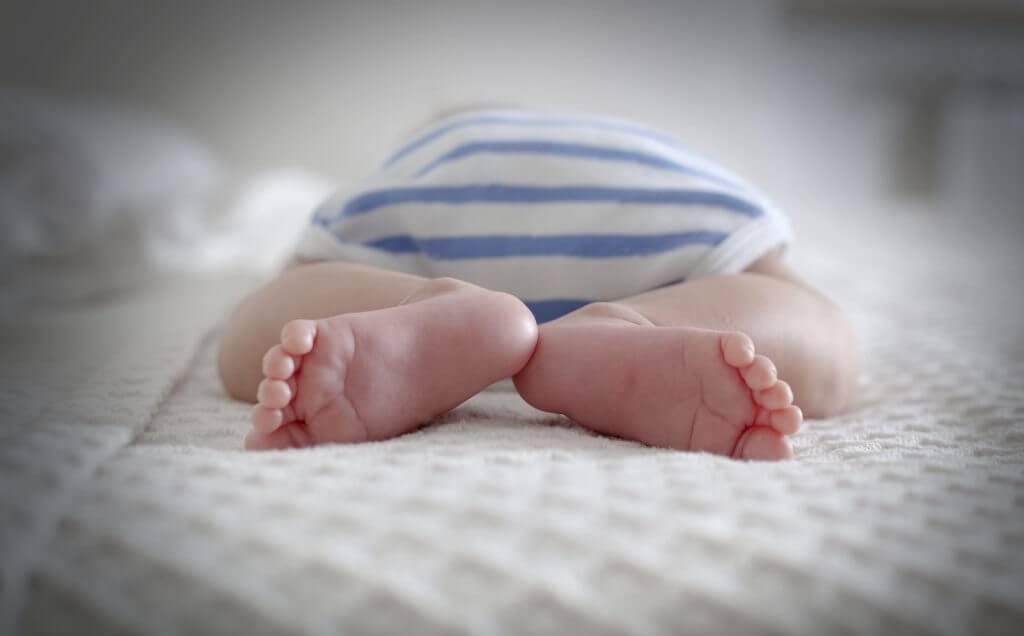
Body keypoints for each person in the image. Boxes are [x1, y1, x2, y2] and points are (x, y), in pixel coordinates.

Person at [217, 109, 858, 460]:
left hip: (432, 196)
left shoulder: (429, 156)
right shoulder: (641, 151)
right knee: (821, 330)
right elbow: (800, 304)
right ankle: (627, 325)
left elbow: (290, 284)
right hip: (663, 205)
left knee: (268, 318)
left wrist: (292, 287)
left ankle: (433, 306)